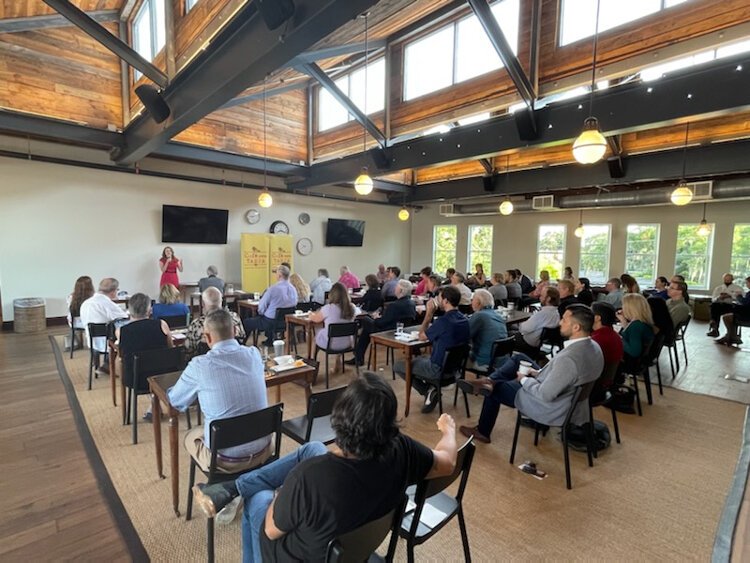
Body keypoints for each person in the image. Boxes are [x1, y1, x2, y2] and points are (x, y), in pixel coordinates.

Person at [190, 373, 458, 562]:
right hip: (356, 540)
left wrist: (281, 495)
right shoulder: (403, 449)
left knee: (258, 498)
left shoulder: (310, 479)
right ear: (388, 422)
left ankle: (237, 489)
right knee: (312, 448)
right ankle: (231, 487)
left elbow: (271, 530)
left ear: (339, 419)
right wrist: (449, 431)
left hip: (302, 555)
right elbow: (447, 462)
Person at [459, 305, 604, 444]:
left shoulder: (569, 358)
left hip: (550, 407)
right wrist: (537, 373)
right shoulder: (594, 347)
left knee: (496, 390)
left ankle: (483, 431)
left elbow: (545, 395)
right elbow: (566, 377)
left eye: (564, 320)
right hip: (568, 400)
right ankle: (489, 381)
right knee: (519, 358)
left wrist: (524, 380)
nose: (560, 323)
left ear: (576, 327)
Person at [169, 309, 271, 475]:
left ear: (207, 337)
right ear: (235, 331)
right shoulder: (254, 354)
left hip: (226, 460)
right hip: (264, 449)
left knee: (191, 436)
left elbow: (175, 401)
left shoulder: (199, 366)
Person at [394, 285, 470, 413]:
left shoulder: (443, 321)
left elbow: (421, 336)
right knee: (422, 358)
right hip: (455, 369)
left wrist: (428, 314)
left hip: (438, 369)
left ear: (445, 301)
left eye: (439, 298)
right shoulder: (465, 320)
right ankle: (431, 390)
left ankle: (427, 390)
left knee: (399, 366)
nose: (438, 301)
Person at [117, 293, 172, 420]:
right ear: (149, 310)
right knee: (156, 366)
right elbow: (171, 349)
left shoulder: (121, 331)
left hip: (136, 379)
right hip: (163, 376)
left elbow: (122, 356)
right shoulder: (161, 324)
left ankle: (154, 406)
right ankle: (155, 404)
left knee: (124, 364)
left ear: (129, 311)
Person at [350, 279, 416, 366]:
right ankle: (358, 356)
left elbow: (381, 323)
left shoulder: (394, 305)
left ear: (400, 290)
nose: (394, 289)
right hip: (401, 331)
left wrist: (376, 318)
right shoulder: (412, 303)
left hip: (388, 332)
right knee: (367, 328)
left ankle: (358, 356)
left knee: (366, 320)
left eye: (396, 287)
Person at [243, 265, 297, 345]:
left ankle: (241, 344)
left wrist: (262, 313)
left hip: (270, 322)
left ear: (279, 275)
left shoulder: (273, 289)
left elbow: (261, 306)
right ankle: (269, 340)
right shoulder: (293, 289)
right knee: (270, 315)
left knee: (246, 322)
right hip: (287, 322)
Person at [80, 278, 129, 365]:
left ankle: (99, 364)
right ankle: (108, 364)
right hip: (106, 342)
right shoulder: (107, 304)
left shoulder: (86, 303)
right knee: (124, 331)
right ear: (113, 291)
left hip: (91, 339)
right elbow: (124, 317)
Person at [185, 287, 245, 355]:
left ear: (203, 304)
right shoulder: (235, 318)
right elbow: (242, 338)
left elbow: (189, 349)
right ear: (221, 301)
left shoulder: (196, 324)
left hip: (206, 363)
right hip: (234, 358)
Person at [308, 282, 359, 353]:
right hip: (347, 343)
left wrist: (310, 315)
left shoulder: (328, 308)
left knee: (317, 335)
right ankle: (339, 360)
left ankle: (313, 360)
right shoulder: (352, 307)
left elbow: (316, 320)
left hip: (330, 344)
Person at [511, 287, 561, 358]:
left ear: (548, 299)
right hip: (542, 343)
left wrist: (521, 325)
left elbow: (524, 329)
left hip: (529, 343)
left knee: (506, 336)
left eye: (542, 296)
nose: (539, 297)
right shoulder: (557, 313)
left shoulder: (542, 314)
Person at [468, 289, 507, 370]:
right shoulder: (498, 315)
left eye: (472, 300)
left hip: (485, 362)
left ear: (478, 303)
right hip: (502, 362)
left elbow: (465, 336)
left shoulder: (479, 316)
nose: (471, 302)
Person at [617, 293, 655, 377]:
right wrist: (624, 322)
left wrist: (618, 337)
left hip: (629, 363)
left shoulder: (636, 326)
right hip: (635, 361)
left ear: (630, 308)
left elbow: (634, 352)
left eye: (623, 305)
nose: (622, 308)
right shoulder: (640, 323)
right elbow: (630, 336)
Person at [590, 302, 624, 380]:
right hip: (607, 380)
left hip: (597, 382)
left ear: (597, 318)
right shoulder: (614, 335)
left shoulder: (597, 340)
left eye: (590, 312)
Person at [716, 276, 750, 346]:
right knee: (716, 306)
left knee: (726, 317)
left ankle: (731, 336)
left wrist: (738, 296)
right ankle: (731, 336)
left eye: (747, 283)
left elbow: (745, 303)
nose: (746, 284)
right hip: (746, 312)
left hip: (747, 315)